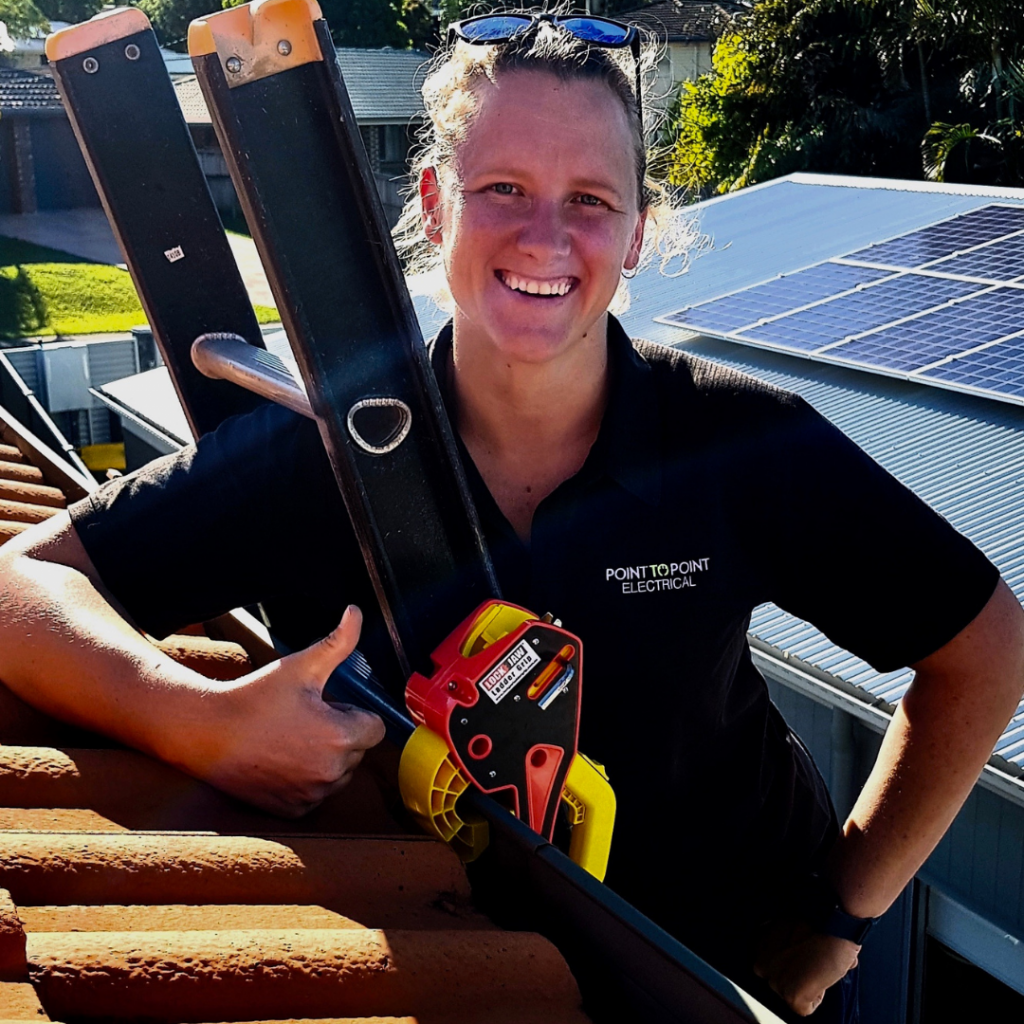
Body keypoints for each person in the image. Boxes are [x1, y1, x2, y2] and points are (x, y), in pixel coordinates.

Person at [0, 11, 1021, 1022]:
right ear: (437, 205)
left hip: (720, 975)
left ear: (635, 232)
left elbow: (985, 647)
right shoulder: (327, 452)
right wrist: (191, 719)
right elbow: (20, 583)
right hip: (460, 965)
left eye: (590, 199)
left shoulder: (737, 440)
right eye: (503, 189)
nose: (546, 236)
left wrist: (840, 918)